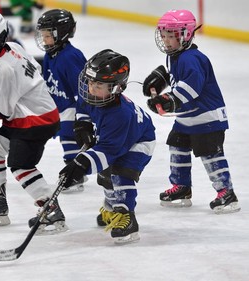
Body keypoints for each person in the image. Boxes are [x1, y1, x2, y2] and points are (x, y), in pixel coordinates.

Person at [0, 9, 67, 234]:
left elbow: (3, 109)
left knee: (21, 165)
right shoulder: (14, 48)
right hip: (40, 113)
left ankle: (50, 208)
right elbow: (35, 70)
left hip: (34, 121)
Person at [143, 9, 240, 214]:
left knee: (210, 155)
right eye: (164, 35)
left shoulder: (191, 58)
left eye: (172, 36)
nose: (167, 41)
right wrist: (161, 85)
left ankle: (226, 192)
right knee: (177, 147)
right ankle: (182, 187)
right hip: (188, 117)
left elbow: (192, 87)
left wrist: (169, 99)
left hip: (207, 116)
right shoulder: (175, 56)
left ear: (186, 35)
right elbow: (177, 80)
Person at [57, 49, 156, 243]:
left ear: (116, 88)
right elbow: (84, 107)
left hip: (139, 141)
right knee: (105, 176)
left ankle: (127, 217)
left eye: (99, 85)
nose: (91, 89)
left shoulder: (119, 115)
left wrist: (80, 165)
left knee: (120, 172)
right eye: (90, 82)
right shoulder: (95, 96)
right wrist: (83, 124)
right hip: (117, 139)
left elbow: (109, 151)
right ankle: (111, 208)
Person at [35, 9, 87, 192]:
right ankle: (75, 170)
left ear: (62, 33)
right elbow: (48, 81)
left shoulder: (70, 57)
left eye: (48, 35)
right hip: (60, 104)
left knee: (67, 134)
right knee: (64, 135)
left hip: (74, 105)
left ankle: (75, 174)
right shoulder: (50, 55)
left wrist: (83, 113)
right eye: (43, 35)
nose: (44, 39)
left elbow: (83, 88)